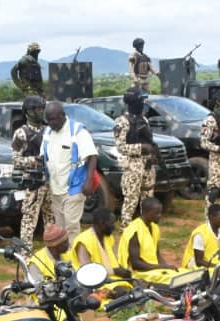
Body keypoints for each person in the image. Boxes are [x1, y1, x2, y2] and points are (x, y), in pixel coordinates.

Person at [42, 102, 98, 242]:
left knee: (71, 225)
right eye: (48, 120)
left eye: (53, 119)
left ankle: (74, 258)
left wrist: (89, 181)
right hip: (55, 188)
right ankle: (63, 258)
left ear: (62, 116)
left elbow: (92, 156)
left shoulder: (78, 131)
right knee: (60, 227)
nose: (51, 123)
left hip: (74, 187)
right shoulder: (48, 132)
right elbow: (43, 157)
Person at [114, 87, 158, 227]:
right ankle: (126, 229)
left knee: (148, 199)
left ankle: (146, 228)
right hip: (133, 165)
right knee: (131, 200)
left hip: (147, 165)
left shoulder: (144, 119)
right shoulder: (122, 121)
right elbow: (120, 147)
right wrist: (141, 148)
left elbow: (149, 141)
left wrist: (152, 154)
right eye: (141, 101)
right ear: (133, 102)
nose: (143, 104)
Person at [11, 95, 51, 247]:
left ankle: (52, 250)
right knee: (29, 220)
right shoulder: (21, 133)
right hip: (33, 183)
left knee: (51, 218)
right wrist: (34, 161)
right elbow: (16, 159)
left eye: (42, 109)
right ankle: (25, 252)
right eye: (36, 109)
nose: (40, 112)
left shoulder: (48, 130)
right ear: (28, 112)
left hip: (50, 181)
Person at [118, 198, 179, 284]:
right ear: (147, 212)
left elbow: (157, 253)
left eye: (160, 213)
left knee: (181, 275)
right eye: (157, 213)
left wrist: (166, 268)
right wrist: (161, 267)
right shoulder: (134, 231)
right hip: (138, 273)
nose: (160, 215)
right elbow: (136, 264)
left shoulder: (154, 228)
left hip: (152, 269)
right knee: (174, 281)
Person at [72, 208, 132, 295]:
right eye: (112, 223)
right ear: (101, 223)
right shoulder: (84, 241)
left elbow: (114, 262)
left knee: (140, 286)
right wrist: (114, 271)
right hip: (96, 283)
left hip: (113, 278)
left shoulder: (108, 237)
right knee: (125, 294)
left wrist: (126, 273)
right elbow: (87, 273)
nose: (114, 226)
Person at [181, 204, 220, 269]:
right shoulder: (200, 234)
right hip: (196, 264)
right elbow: (199, 261)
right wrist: (216, 267)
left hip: (212, 262)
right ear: (211, 217)